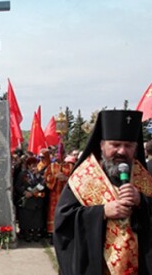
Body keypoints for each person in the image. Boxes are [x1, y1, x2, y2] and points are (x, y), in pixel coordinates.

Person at [54, 110, 152, 274]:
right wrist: (102, 212)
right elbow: (63, 222)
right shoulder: (82, 179)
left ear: (135, 148)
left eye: (128, 146)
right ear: (102, 145)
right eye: (115, 145)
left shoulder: (145, 179)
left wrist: (142, 201)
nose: (121, 151)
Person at [43, 143, 74, 241]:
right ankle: (53, 235)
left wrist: (66, 178)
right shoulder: (51, 166)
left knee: (66, 213)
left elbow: (75, 180)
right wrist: (54, 178)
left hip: (66, 195)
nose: (58, 156)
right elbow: (46, 179)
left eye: (61, 154)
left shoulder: (70, 166)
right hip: (54, 195)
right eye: (57, 154)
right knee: (53, 214)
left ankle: (65, 234)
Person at [15, 156, 46, 242]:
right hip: (27, 200)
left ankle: (36, 235)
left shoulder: (39, 175)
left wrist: (34, 191)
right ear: (28, 166)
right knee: (26, 218)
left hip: (37, 199)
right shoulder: (23, 174)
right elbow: (18, 186)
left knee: (37, 218)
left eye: (36, 165)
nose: (34, 167)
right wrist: (24, 192)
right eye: (32, 165)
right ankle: (27, 235)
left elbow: (43, 184)